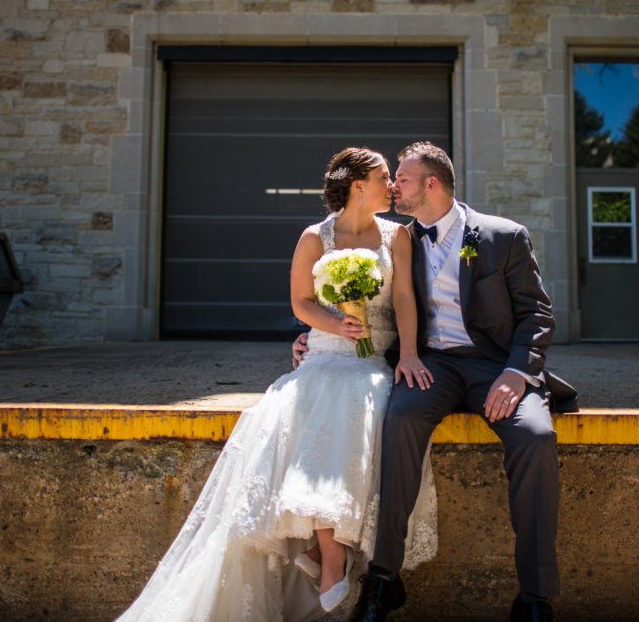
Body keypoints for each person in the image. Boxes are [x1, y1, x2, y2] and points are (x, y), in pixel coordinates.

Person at [114, 147, 437, 622]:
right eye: (385, 176)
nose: (392, 185)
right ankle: (329, 553)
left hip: (373, 361)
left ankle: (325, 552)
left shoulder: (398, 237)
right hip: (325, 355)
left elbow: (405, 299)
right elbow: (302, 302)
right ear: (357, 186)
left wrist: (408, 353)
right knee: (316, 404)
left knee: (360, 402)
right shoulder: (314, 237)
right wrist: (332, 324)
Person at [293, 142, 577, 622]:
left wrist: (515, 372)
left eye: (401, 179)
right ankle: (384, 579)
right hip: (431, 367)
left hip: (495, 368)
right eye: (391, 178)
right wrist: (310, 337)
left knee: (536, 437)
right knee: (399, 419)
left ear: (430, 184)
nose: (393, 186)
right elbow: (371, 302)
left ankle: (535, 595)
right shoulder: (400, 239)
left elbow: (537, 314)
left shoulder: (502, 236)